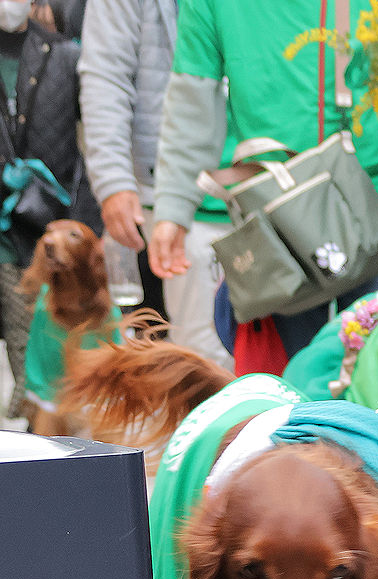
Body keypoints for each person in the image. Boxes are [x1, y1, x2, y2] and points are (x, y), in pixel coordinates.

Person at [148, 0, 378, 355]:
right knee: (293, 370)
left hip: (376, 203)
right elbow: (191, 107)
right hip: (281, 216)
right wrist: (173, 208)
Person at [79, 0, 232, 365]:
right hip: (176, 198)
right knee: (200, 356)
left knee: (273, 348)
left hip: (264, 183)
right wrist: (113, 181)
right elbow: (106, 76)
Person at [0, 0, 95, 418]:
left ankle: (39, 440)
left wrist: (83, 218)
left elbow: (93, 142)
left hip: (46, 231)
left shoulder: (64, 55)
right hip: (7, 231)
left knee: (42, 352)